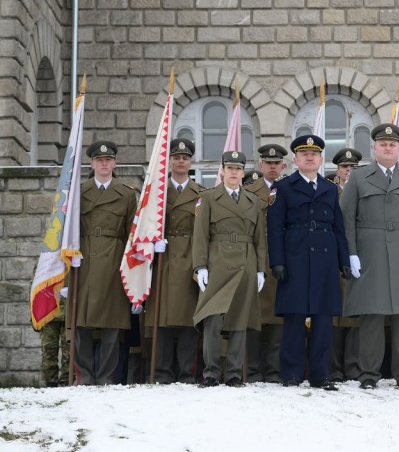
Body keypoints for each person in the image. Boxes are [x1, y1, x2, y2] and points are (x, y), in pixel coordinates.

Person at [341, 123, 399, 390]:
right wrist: (351, 253)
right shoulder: (359, 177)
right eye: (383, 144)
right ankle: (368, 375)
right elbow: (346, 218)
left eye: (392, 145)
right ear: (374, 148)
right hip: (371, 252)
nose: (388, 148)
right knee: (372, 315)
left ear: (398, 148)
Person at [267, 136, 349, 390]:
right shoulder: (283, 188)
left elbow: (338, 228)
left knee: (324, 321)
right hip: (295, 257)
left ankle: (320, 374)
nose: (309, 158)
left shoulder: (329, 188)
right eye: (304, 154)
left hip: (324, 259)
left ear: (321, 159)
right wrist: (277, 261)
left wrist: (343, 260)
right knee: (294, 318)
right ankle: (291, 373)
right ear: (295, 160)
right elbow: (275, 228)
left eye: (314, 154)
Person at [192, 151, 267, 387]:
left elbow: (260, 241)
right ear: (222, 170)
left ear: (243, 172)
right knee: (212, 319)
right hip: (217, 263)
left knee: (239, 320)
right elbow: (200, 236)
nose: (234, 172)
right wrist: (200, 267)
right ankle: (211, 373)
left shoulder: (253, 201)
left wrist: (260, 270)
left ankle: (234, 373)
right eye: (230, 168)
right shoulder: (208, 198)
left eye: (238, 168)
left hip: (246, 263)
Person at [72, 140, 138, 385]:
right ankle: (85, 376)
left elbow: (131, 234)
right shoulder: (79, 192)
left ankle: (106, 377)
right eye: (99, 160)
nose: (104, 164)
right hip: (85, 257)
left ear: (115, 163)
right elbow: (68, 233)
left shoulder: (127, 193)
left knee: (112, 324)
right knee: (82, 324)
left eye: (108, 160)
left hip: (113, 258)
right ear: (92, 163)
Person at [148, 138, 203, 384]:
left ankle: (185, 372)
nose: (181, 161)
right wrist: (151, 243)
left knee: (187, 318)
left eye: (185, 157)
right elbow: (142, 225)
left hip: (190, 255)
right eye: (176, 157)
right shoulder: (156, 193)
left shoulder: (201, 193)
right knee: (162, 318)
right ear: (169, 161)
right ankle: (161, 372)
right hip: (163, 258)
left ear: (191, 162)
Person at [244, 143, 289, 383]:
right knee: (254, 317)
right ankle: (252, 370)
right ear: (261, 165)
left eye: (276, 163)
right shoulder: (249, 192)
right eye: (268, 163)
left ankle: (273, 370)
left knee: (278, 319)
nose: (272, 167)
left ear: (283, 165)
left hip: (282, 259)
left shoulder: (289, 189)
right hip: (255, 259)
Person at [329, 147, 362, 383]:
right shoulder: (329, 193)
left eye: (353, 168)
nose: (349, 171)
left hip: (357, 259)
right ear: (337, 171)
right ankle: (333, 368)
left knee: (354, 317)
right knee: (331, 318)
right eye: (345, 167)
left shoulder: (364, 192)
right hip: (331, 261)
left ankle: (353, 367)